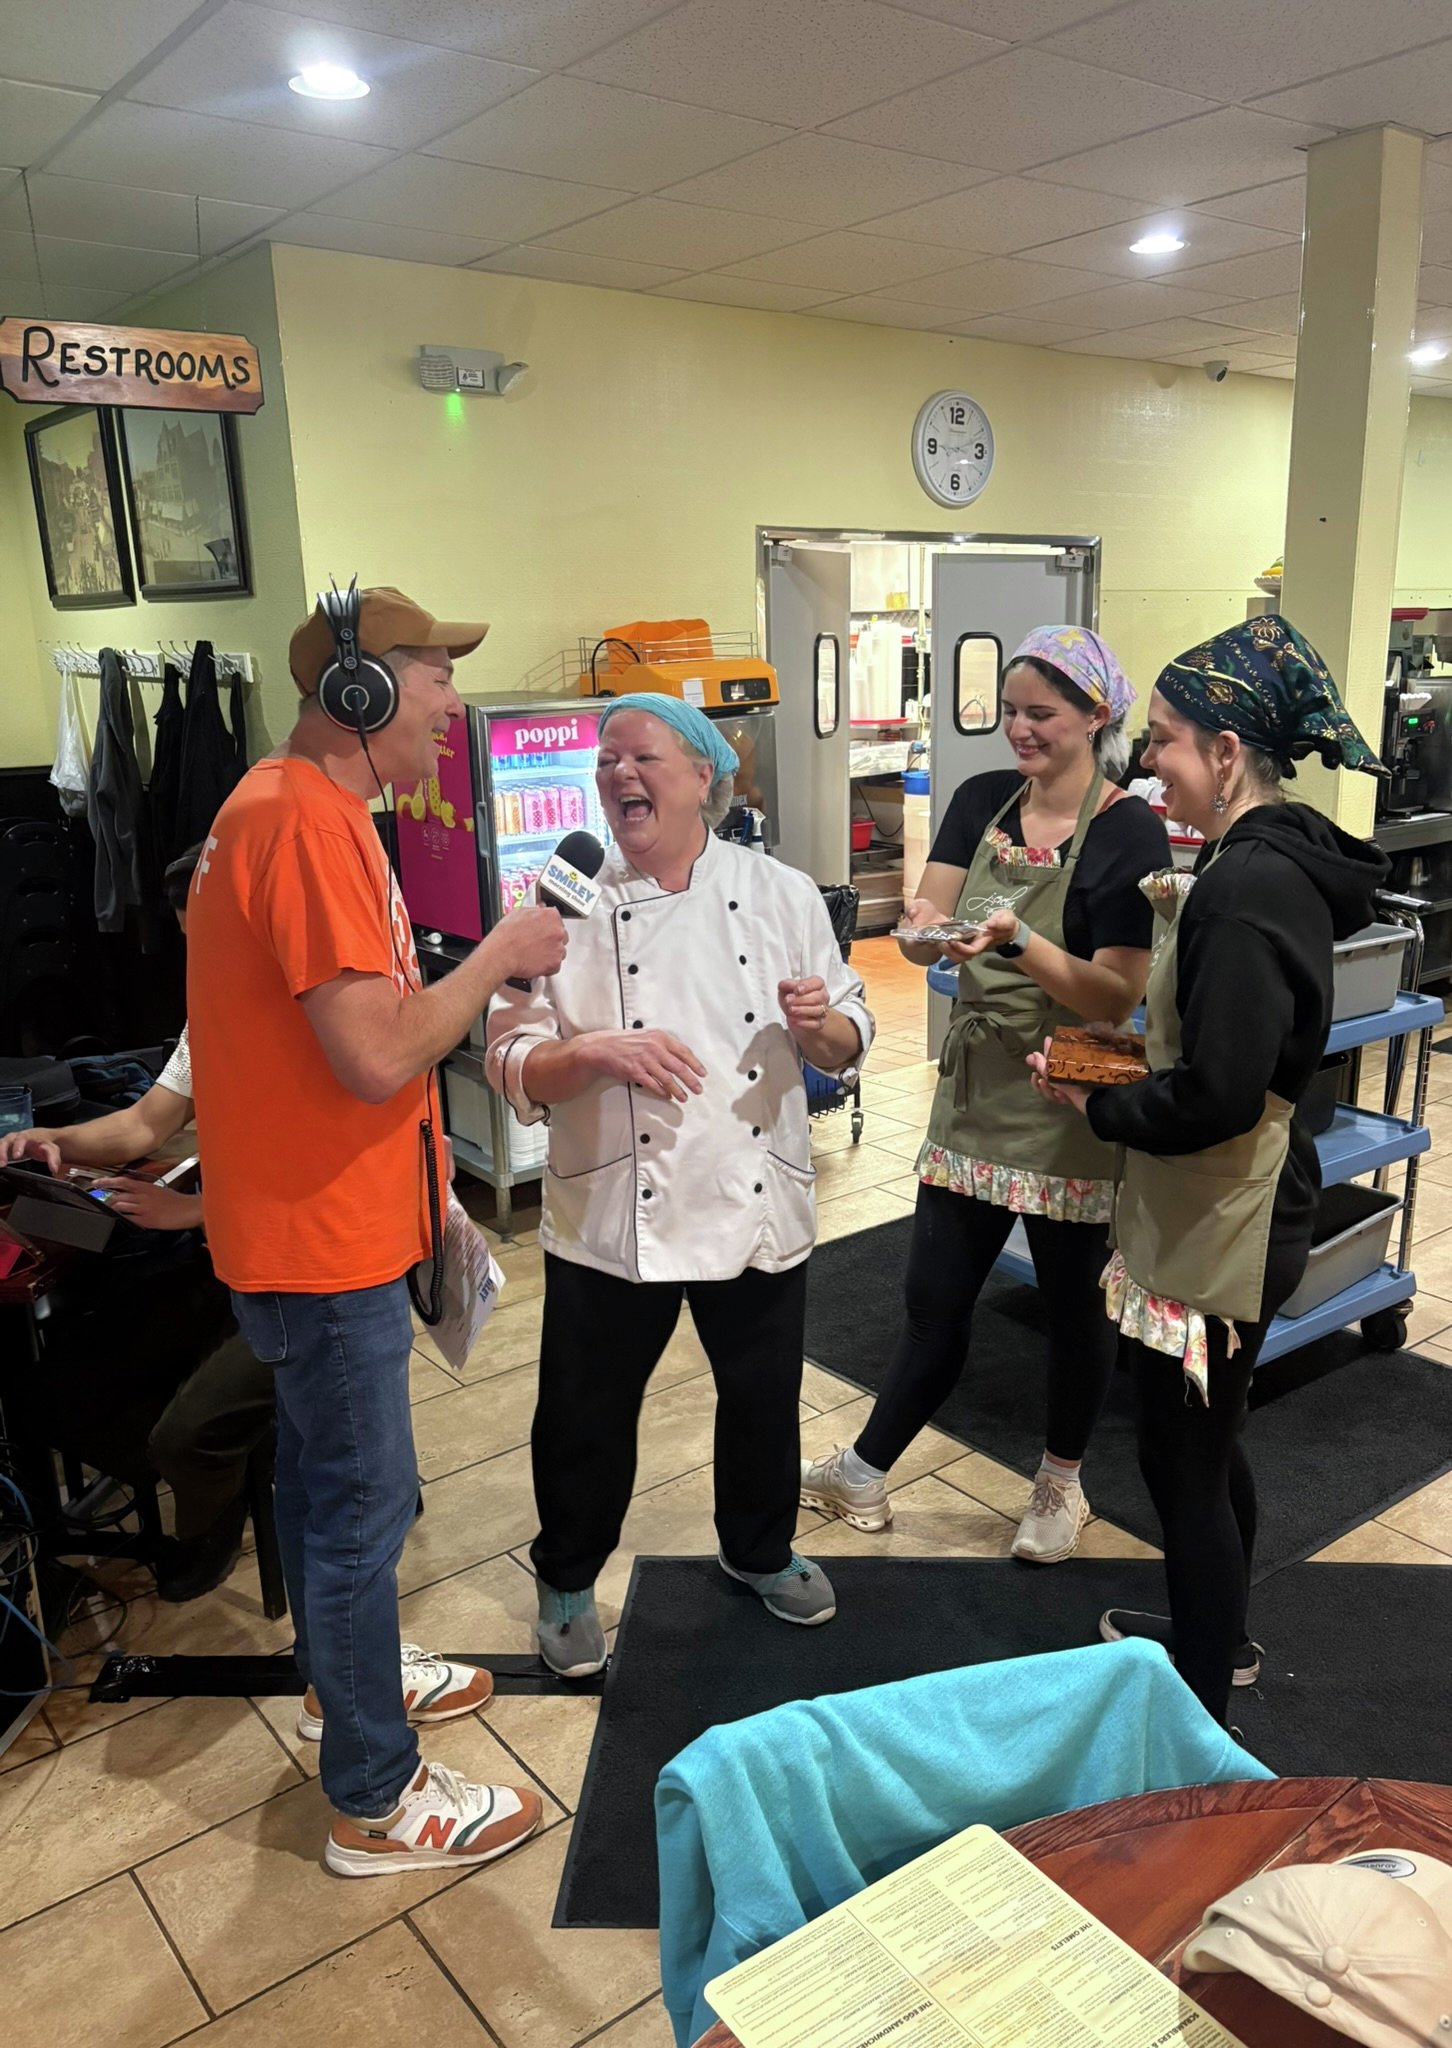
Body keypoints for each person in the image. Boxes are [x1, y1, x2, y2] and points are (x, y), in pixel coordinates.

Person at [186, 586, 568, 1878]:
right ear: (364, 689)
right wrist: (498, 955)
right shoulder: (303, 821)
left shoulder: (299, 808)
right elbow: (375, 1052)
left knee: (320, 1484)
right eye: (437, 674)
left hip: (315, 1223)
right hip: (320, 1239)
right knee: (364, 1503)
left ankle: (337, 1679)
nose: (454, 704)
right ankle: (375, 1798)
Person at [1028, 614, 1390, 1726]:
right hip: (1238, 1197)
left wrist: (1101, 1100)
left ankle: (1199, 1719)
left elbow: (1221, 1094)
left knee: (1182, 1465)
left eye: (1167, 740)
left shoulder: (1243, 887)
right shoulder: (1257, 864)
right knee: (1207, 1440)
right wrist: (1129, 1063)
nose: (1150, 764)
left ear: (1228, 753)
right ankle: (1214, 1639)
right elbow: (1231, 1056)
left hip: (1229, 1219)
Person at [484, 693, 873, 1678]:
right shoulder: (558, 904)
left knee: (762, 1397)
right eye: (606, 759)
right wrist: (592, 1054)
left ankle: (760, 1549)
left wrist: (821, 1025)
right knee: (585, 1414)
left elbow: (848, 1035)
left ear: (705, 775)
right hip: (615, 1207)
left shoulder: (780, 892)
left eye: (642, 757)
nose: (619, 774)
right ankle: (567, 1579)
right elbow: (507, 1054)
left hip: (753, 1191)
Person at [802, 628, 1167, 1561]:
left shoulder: (1128, 828)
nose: (1019, 730)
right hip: (975, 1088)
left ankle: (1060, 1484)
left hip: (1073, 1092)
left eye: (1041, 713)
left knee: (1075, 1310)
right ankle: (864, 1473)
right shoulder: (980, 801)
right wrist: (921, 931)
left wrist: (1016, 941)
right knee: (933, 1299)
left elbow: (1115, 994)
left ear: (1096, 715)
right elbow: (926, 918)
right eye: (1010, 711)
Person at [0, 847, 273, 1604]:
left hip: (287, 1269)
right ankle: (213, 1472)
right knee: (62, 1387)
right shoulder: (214, 1013)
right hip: (224, 1253)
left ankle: (211, 1506)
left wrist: (194, 1211)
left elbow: (326, 1175)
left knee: (177, 1428)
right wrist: (52, 1141)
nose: (201, 958)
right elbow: (143, 1124)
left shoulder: (314, 1016)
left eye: (210, 937)